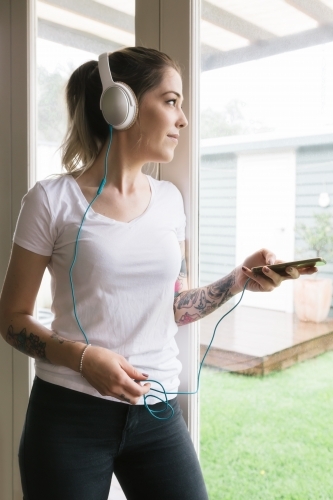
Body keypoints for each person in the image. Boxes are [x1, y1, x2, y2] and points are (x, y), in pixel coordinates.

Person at [0, 47, 317, 500]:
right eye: (171, 101)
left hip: (156, 410)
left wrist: (239, 278)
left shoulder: (170, 200)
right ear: (121, 104)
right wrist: (84, 359)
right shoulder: (51, 200)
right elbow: (12, 319)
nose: (182, 118)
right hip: (69, 416)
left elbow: (177, 307)